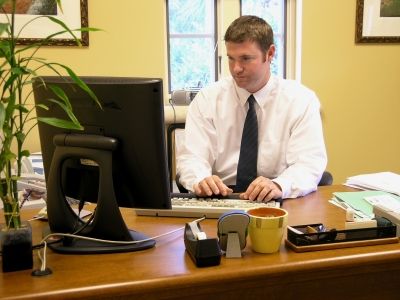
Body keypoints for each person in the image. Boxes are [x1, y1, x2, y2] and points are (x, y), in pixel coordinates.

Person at [176, 15, 327, 202]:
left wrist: (280, 185)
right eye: (231, 58)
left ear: (270, 53)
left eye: (246, 58)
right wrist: (200, 179)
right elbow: (190, 157)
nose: (236, 68)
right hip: (221, 197)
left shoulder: (301, 100)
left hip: (277, 198)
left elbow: (309, 164)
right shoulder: (208, 99)